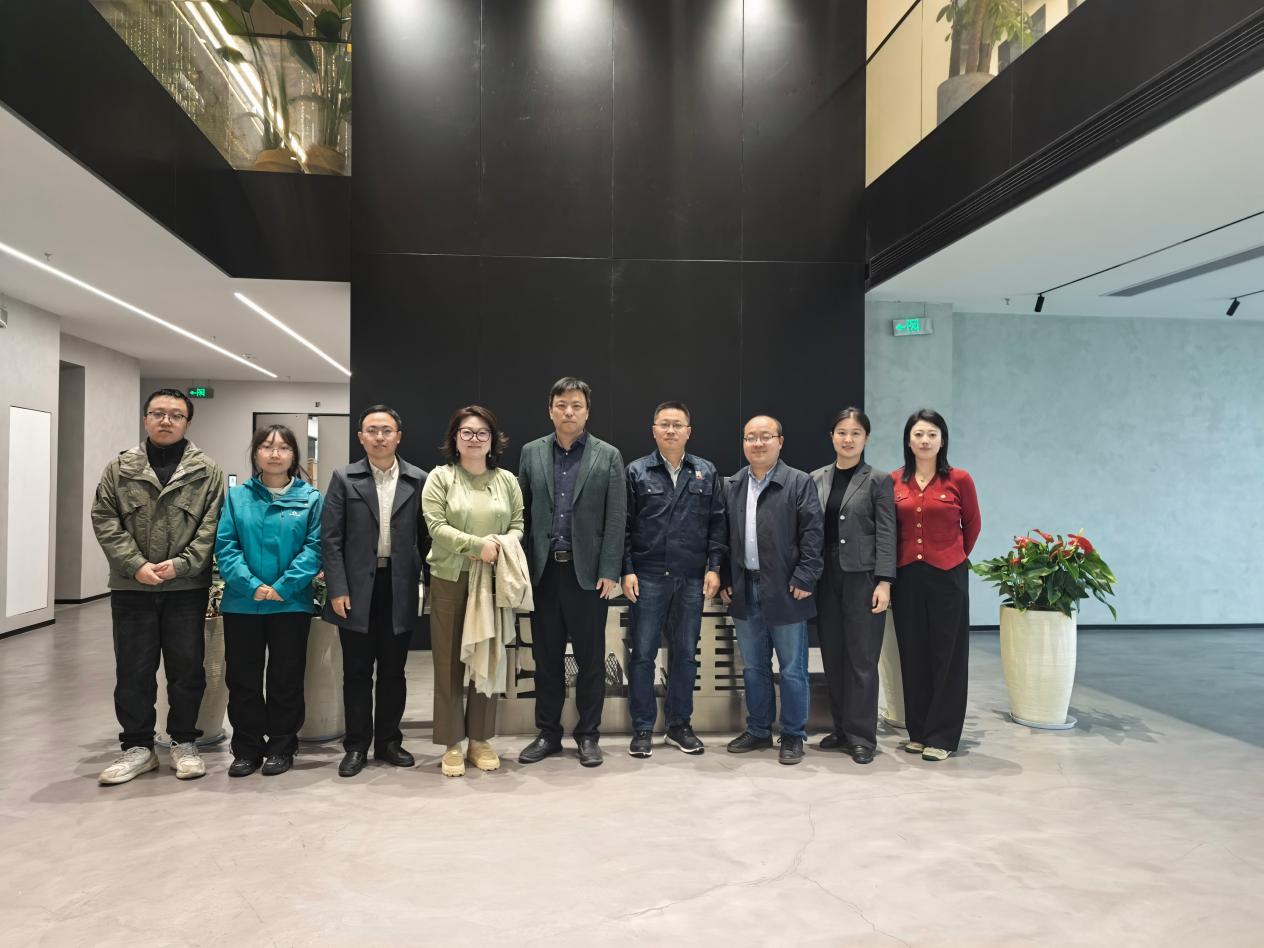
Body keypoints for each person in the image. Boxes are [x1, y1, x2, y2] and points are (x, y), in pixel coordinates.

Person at [91, 388, 225, 785]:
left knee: (187, 669)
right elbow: (104, 518)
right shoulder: (120, 468)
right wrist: (136, 565)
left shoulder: (207, 471)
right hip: (132, 588)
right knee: (133, 670)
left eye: (175, 415)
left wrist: (180, 565)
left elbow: (212, 525)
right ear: (146, 418)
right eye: (158, 413)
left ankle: (184, 742)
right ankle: (137, 748)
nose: (166, 420)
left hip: (186, 588)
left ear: (187, 422)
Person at [516, 377, 626, 768]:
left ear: (587, 411)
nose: (568, 411)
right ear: (550, 410)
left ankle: (588, 735)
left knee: (591, 660)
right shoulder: (531, 453)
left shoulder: (607, 456)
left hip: (589, 577)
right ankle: (548, 733)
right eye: (561, 404)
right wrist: (522, 568)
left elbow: (616, 517)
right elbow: (521, 514)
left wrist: (610, 568)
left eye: (576, 405)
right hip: (543, 574)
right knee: (545, 658)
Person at [322, 405, 428, 778]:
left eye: (386, 430)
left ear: (398, 436)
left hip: (399, 586)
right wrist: (337, 587)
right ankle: (356, 746)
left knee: (394, 671)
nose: (379, 437)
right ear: (361, 437)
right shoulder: (343, 478)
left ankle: (389, 742)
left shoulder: (418, 479)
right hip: (355, 590)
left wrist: (428, 586)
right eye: (372, 430)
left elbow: (427, 539)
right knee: (356, 672)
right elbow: (330, 538)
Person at [421, 405, 524, 777]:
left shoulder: (506, 480)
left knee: (488, 658)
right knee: (448, 662)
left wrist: (501, 545)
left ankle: (480, 740)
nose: (475, 439)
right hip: (450, 578)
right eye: (467, 432)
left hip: (493, 580)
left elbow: (518, 524)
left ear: (493, 440)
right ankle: (452, 742)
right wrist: (477, 546)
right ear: (455, 438)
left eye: (482, 433)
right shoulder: (440, 478)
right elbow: (435, 526)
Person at [214, 425, 323, 777]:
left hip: (291, 603)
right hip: (243, 603)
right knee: (242, 677)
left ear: (294, 455)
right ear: (256, 453)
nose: (275, 453)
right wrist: (251, 586)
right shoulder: (237, 497)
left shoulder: (311, 498)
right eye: (266, 446)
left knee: (285, 677)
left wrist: (284, 586)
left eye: (283, 447)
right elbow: (226, 546)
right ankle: (246, 748)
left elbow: (315, 548)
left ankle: (281, 746)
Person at [622, 401, 726, 758]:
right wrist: (627, 569)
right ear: (654, 430)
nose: (670, 430)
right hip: (648, 577)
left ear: (688, 432)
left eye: (677, 425)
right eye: (664, 424)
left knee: (685, 655)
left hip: (691, 578)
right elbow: (624, 526)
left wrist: (714, 566)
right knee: (643, 655)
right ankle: (642, 727)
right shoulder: (636, 471)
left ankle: (679, 725)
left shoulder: (706, 472)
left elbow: (717, 523)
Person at [721, 415, 824, 765]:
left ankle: (793, 734)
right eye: (751, 437)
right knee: (753, 666)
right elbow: (723, 537)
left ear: (780, 441)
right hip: (744, 586)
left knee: (792, 667)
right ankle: (758, 729)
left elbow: (813, 534)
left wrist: (805, 577)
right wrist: (726, 578)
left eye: (765, 436)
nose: (758, 443)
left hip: (786, 588)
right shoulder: (733, 483)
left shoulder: (798, 482)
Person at [890, 409, 981, 762]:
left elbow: (972, 525)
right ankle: (919, 731)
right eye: (918, 434)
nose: (925, 440)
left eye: (932, 434)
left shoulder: (960, 479)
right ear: (908, 440)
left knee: (948, 655)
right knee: (913, 652)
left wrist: (952, 557)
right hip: (907, 577)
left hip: (947, 576)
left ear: (942, 441)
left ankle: (942, 735)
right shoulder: (894, 481)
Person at [809, 408, 896, 765]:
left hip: (863, 578)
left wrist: (884, 582)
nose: (848, 439)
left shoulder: (878, 480)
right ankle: (842, 728)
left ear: (866, 438)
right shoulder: (816, 478)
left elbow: (888, 534)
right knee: (833, 655)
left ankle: (862, 736)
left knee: (862, 658)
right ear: (832, 436)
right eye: (842, 432)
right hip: (825, 577)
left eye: (855, 433)